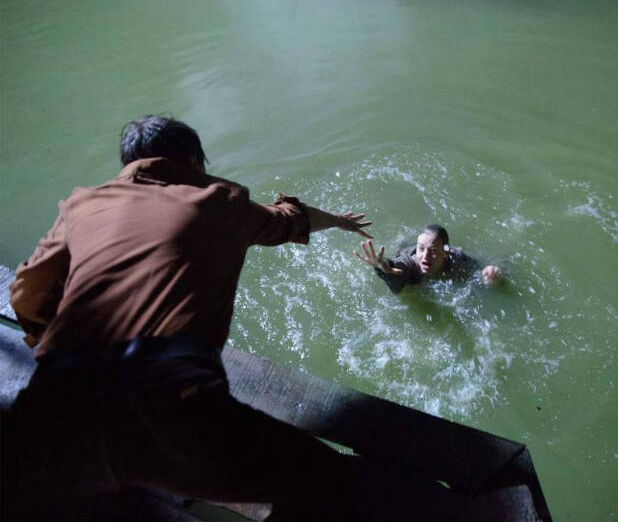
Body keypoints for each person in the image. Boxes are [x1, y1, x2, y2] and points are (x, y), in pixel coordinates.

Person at [1, 115, 470, 520]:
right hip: (170, 410)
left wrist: (60, 350)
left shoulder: (83, 204)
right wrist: (341, 223)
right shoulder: (217, 202)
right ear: (194, 162)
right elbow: (292, 217)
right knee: (325, 481)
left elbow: (26, 294)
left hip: (47, 411)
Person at [354, 224, 503, 294]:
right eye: (421, 248)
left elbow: (484, 268)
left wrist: (491, 272)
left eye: (432, 251)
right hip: (405, 251)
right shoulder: (411, 262)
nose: (425, 257)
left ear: (446, 253)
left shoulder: (457, 259)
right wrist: (382, 266)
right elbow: (397, 267)